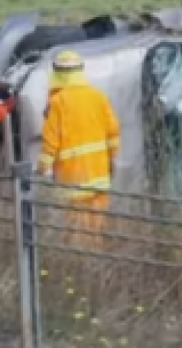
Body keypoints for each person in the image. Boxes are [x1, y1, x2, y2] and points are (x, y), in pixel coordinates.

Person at [37, 50, 121, 250]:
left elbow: (50, 142)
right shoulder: (98, 97)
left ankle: (80, 272)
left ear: (56, 74)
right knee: (97, 231)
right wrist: (110, 162)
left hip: (73, 182)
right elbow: (114, 134)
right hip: (100, 179)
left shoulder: (58, 102)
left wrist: (42, 170)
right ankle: (98, 272)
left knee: (77, 237)